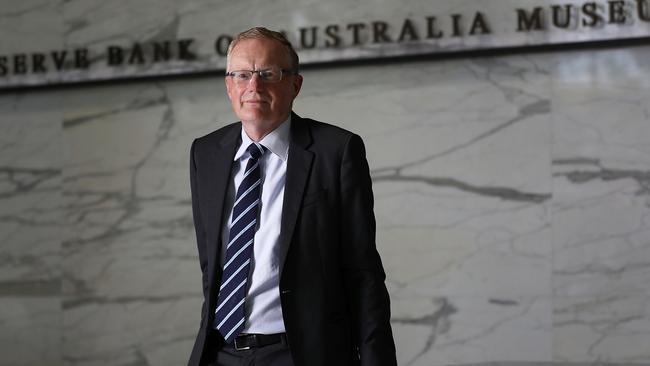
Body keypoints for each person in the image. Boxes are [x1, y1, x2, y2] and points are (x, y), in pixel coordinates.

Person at [188, 27, 396, 366]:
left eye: (267, 74)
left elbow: (363, 272)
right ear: (229, 86)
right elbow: (212, 267)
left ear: (294, 85)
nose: (253, 87)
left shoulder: (336, 151)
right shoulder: (206, 154)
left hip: (298, 354)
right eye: (241, 75)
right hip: (218, 353)